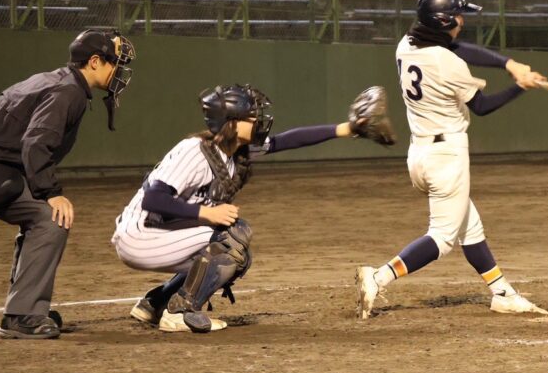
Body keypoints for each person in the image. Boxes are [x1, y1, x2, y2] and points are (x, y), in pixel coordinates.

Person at [113, 83, 395, 334]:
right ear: (231, 123)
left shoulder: (235, 150)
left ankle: (157, 303)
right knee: (230, 241)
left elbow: (287, 140)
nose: (258, 121)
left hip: (160, 231)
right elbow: (153, 199)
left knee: (237, 251)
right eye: (251, 117)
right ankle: (180, 312)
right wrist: (207, 213)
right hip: (141, 235)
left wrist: (348, 129)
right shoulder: (194, 151)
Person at [356, 0, 548, 319]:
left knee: (469, 227)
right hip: (447, 157)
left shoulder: (406, 45)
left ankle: (502, 293)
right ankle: (379, 277)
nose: (463, 20)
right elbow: (482, 106)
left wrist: (509, 63)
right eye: (458, 15)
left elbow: (455, 48)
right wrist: (520, 86)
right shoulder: (448, 64)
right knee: (443, 238)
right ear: (444, 21)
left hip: (419, 154)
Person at [0, 29, 136, 339]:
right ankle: (22, 314)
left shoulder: (57, 81)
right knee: (51, 218)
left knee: (40, 217)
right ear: (94, 61)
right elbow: (36, 142)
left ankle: (24, 307)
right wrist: (50, 192)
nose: (118, 71)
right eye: (114, 63)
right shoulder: (68, 91)